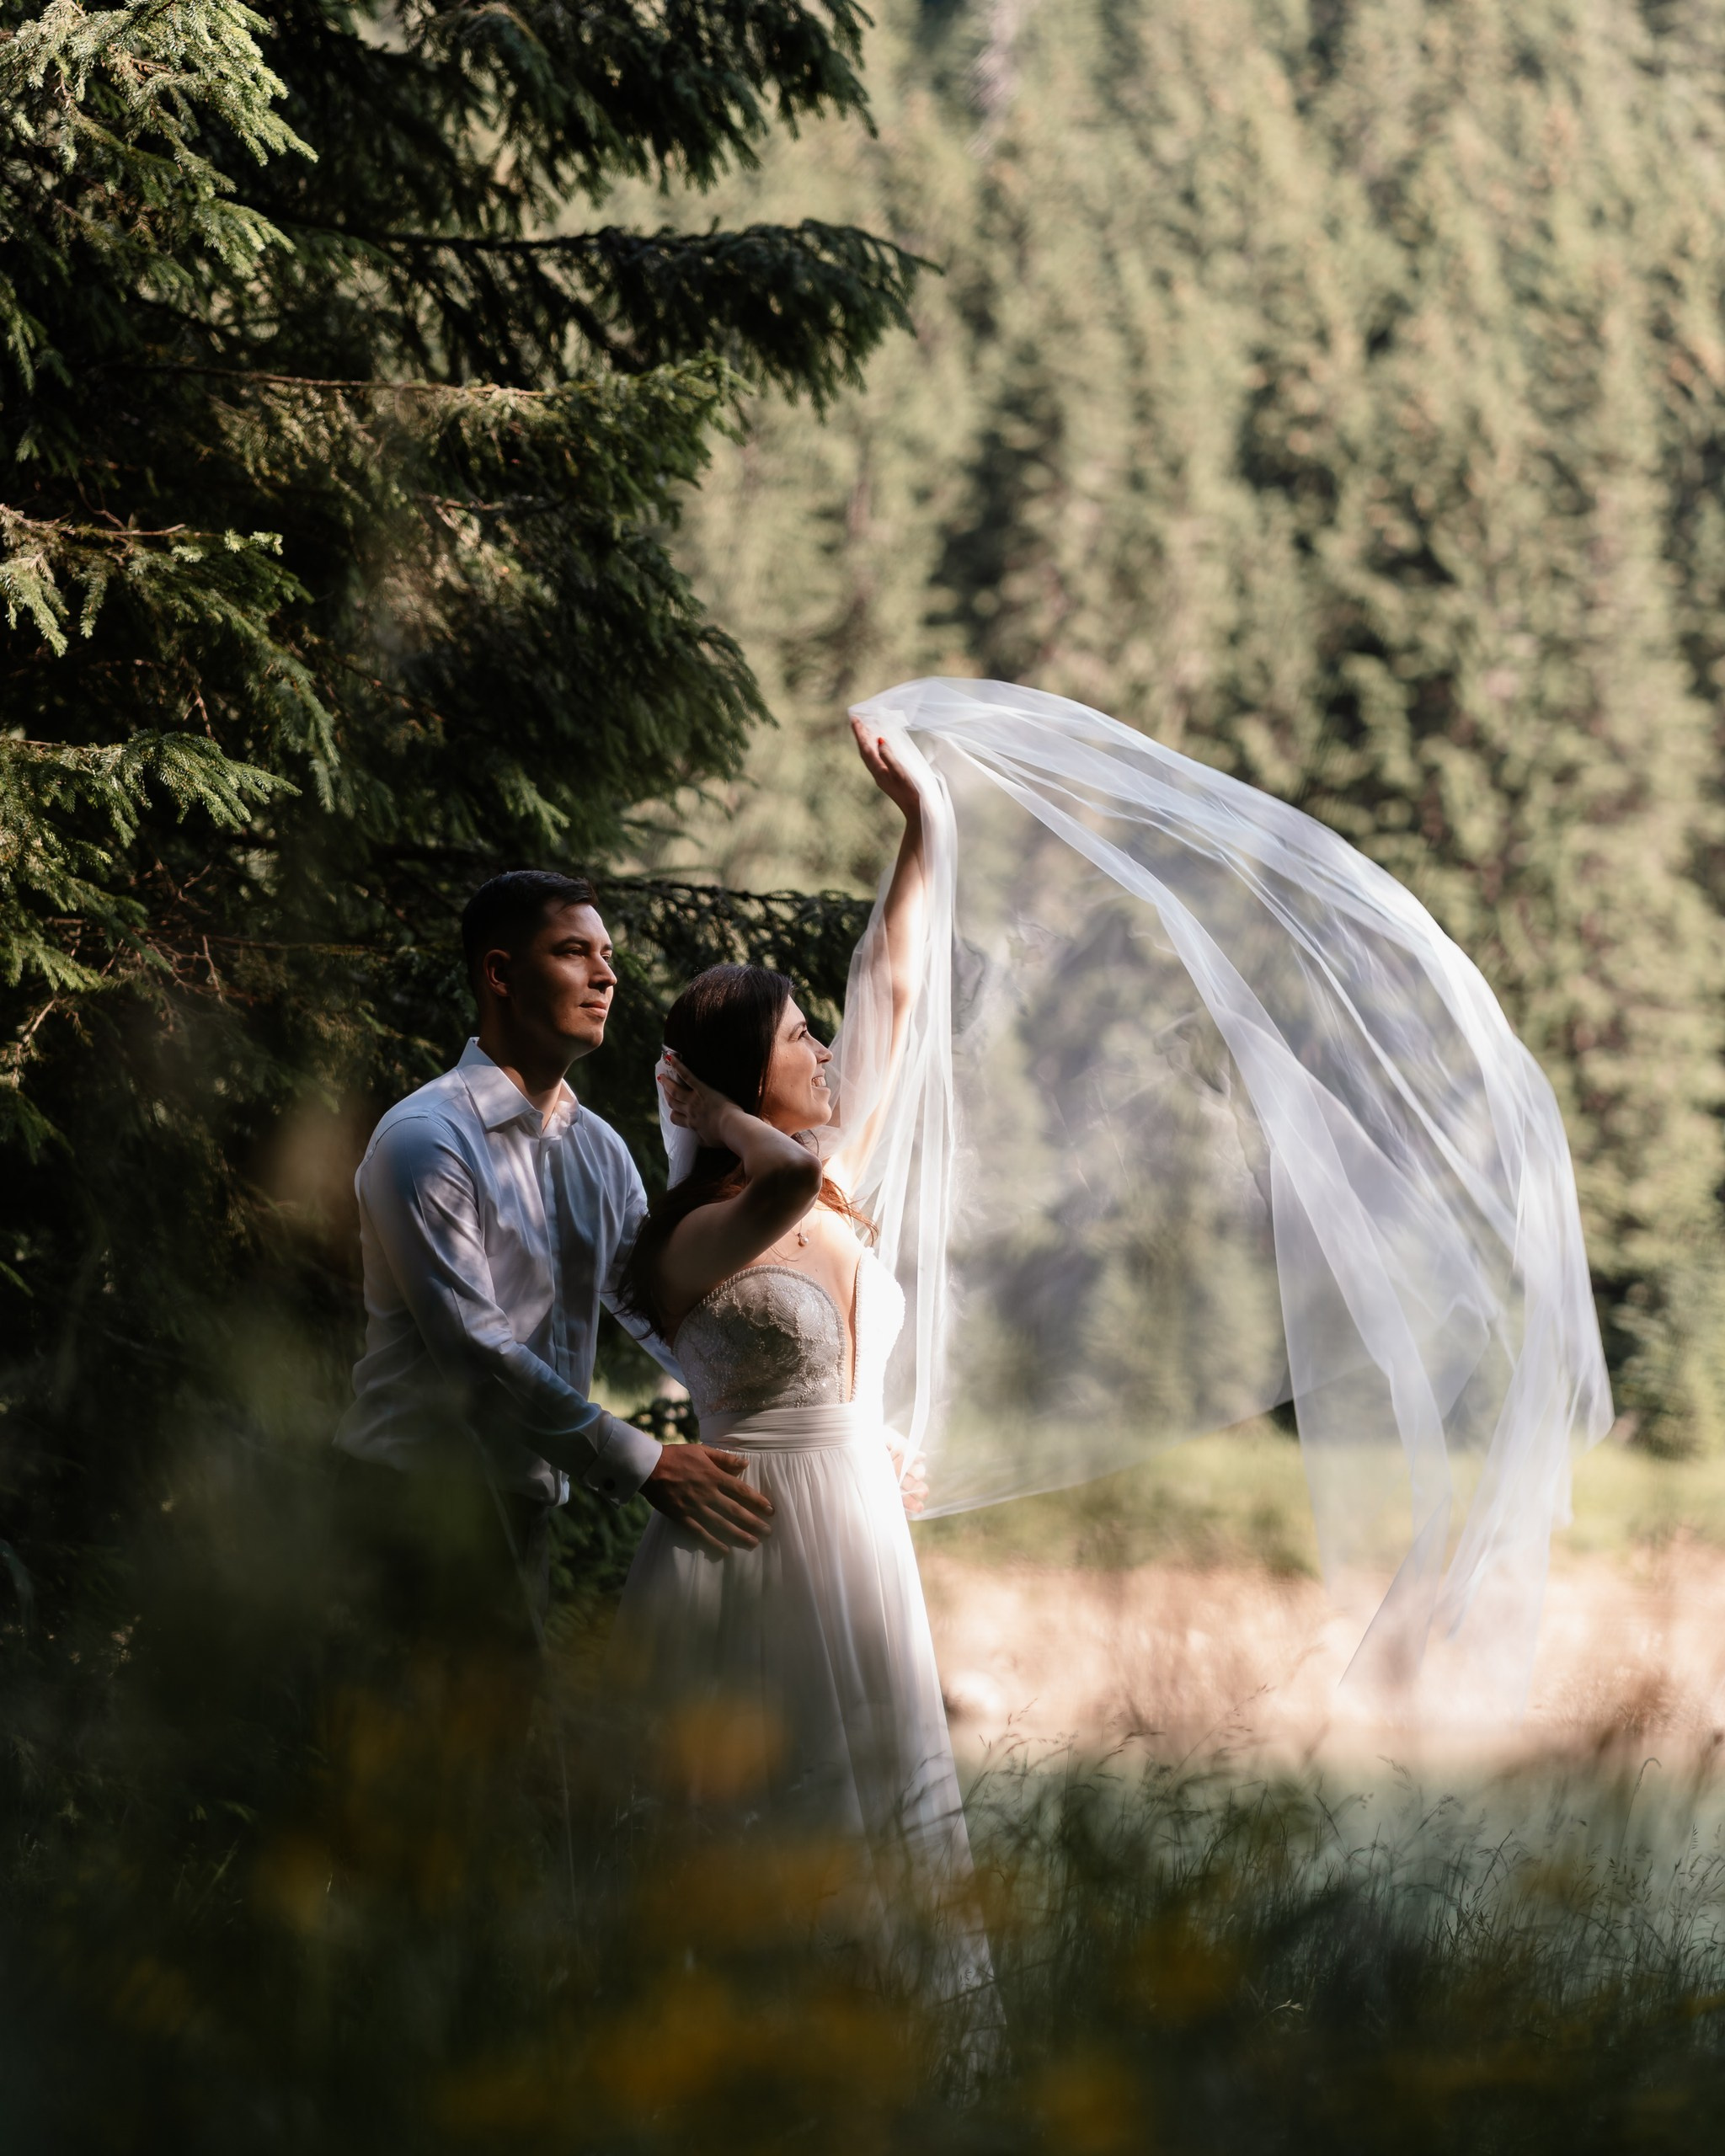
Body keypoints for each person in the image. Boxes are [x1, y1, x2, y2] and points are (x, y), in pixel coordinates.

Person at [608, 723, 989, 2005]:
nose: (824, 1050)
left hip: (858, 1534)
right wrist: (697, 1110)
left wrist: (922, 825)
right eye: (794, 1041)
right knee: (754, 1837)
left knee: (876, 1821)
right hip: (746, 1545)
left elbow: (887, 978)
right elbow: (770, 1176)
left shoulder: (831, 1185)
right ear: (735, 1085)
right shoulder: (708, 1230)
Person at [333, 869, 775, 1728]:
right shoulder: (426, 1139)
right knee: (393, 1801)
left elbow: (660, 1310)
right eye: (574, 952)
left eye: (607, 955)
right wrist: (647, 1463)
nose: (605, 975)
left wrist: (796, 1403)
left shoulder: (599, 1152)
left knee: (488, 1795)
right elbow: (476, 1353)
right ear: (499, 973)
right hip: (406, 1514)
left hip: (520, 1517)